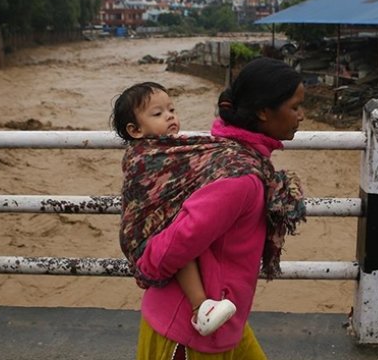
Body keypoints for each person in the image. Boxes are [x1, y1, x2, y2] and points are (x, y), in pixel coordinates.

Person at [128, 58, 307, 359]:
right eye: (295, 107)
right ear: (264, 111)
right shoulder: (241, 178)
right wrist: (145, 265)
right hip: (189, 330)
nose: (301, 116)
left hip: (223, 320)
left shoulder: (230, 153)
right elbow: (173, 244)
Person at [113, 82, 237, 337]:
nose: (169, 116)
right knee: (178, 245)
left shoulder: (179, 148)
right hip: (147, 233)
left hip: (167, 226)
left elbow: (200, 168)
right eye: (157, 114)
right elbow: (151, 195)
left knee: (181, 236)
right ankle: (199, 308)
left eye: (171, 109)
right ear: (135, 130)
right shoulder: (144, 156)